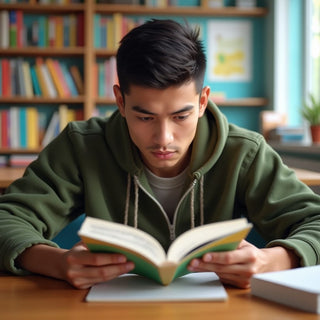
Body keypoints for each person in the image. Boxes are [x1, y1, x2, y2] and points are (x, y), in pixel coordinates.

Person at [0, 19, 319, 290]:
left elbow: (314, 221)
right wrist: (58, 262)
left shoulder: (244, 152)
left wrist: (272, 260)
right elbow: (7, 219)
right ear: (120, 102)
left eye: (181, 116)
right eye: (145, 117)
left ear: (202, 101)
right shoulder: (82, 146)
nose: (164, 138)